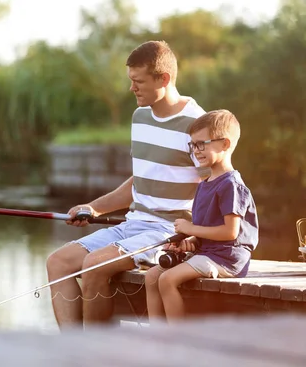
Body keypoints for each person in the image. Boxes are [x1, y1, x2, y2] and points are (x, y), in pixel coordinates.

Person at [46, 40, 209, 329]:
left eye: (138, 81)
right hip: (134, 224)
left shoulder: (198, 125)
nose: (132, 88)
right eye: (130, 80)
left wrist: (196, 238)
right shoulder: (141, 116)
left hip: (169, 232)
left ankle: (96, 355)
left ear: (164, 79)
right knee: (58, 262)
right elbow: (140, 181)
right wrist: (93, 208)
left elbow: (214, 188)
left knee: (94, 265)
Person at [144, 109, 259, 322]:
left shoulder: (230, 185)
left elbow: (230, 232)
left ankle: (176, 341)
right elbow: (207, 229)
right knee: (152, 276)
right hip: (208, 252)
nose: (196, 150)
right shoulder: (205, 184)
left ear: (224, 144)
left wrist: (190, 228)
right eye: (192, 145)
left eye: (201, 144)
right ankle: (157, 338)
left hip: (227, 258)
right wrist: (191, 241)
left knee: (167, 280)